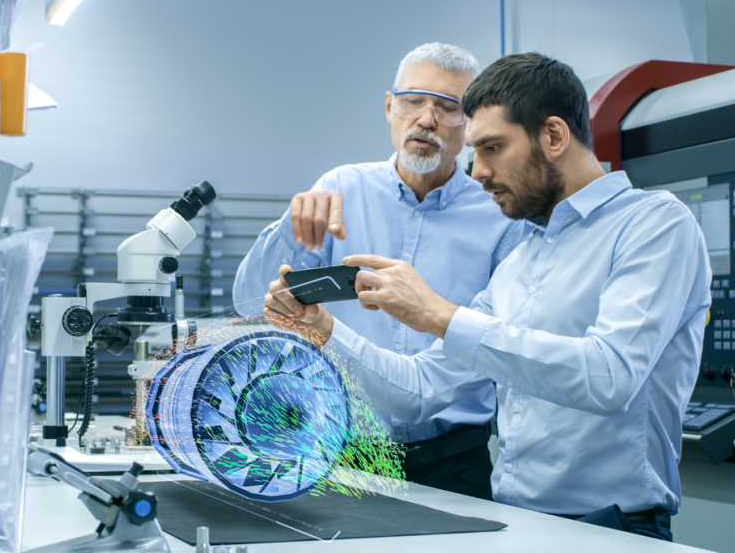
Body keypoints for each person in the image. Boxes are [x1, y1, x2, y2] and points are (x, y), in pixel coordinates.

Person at [264, 53, 711, 542]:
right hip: (515, 522)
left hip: (613, 526)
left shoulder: (654, 224)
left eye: (493, 148)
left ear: (555, 136)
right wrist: (324, 331)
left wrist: (439, 314)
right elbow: (418, 391)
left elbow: (609, 377)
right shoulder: (523, 258)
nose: (477, 172)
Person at [233, 43, 526, 500]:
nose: (426, 119)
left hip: (453, 461)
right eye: (413, 101)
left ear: (470, 125)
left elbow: (495, 341)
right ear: (390, 107)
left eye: (448, 107)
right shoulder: (339, 189)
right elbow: (251, 302)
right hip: (342, 451)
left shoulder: (499, 216)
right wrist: (289, 230)